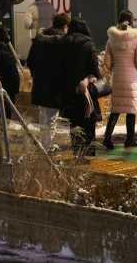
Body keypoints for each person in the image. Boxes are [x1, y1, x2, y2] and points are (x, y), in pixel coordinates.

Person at [57, 18, 100, 163]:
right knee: (87, 121)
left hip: (68, 89)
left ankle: (76, 153)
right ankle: (85, 154)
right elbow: (94, 68)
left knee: (74, 123)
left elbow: (59, 67)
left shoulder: (62, 43)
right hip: (84, 89)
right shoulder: (88, 44)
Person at [102, 11, 137, 149]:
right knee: (131, 110)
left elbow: (107, 62)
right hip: (132, 77)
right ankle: (130, 140)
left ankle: (107, 137)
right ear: (131, 22)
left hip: (117, 75)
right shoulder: (136, 38)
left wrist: (114, 69)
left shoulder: (112, 38)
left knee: (116, 109)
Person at [27, 13, 70, 151]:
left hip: (40, 82)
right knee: (51, 117)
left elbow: (30, 61)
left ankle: (43, 142)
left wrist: (36, 73)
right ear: (64, 27)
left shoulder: (39, 40)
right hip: (56, 84)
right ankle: (46, 146)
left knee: (43, 113)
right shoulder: (64, 42)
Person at [0, 26, 20, 119]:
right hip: (5, 96)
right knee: (4, 124)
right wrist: (15, 91)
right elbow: (14, 78)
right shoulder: (7, 57)